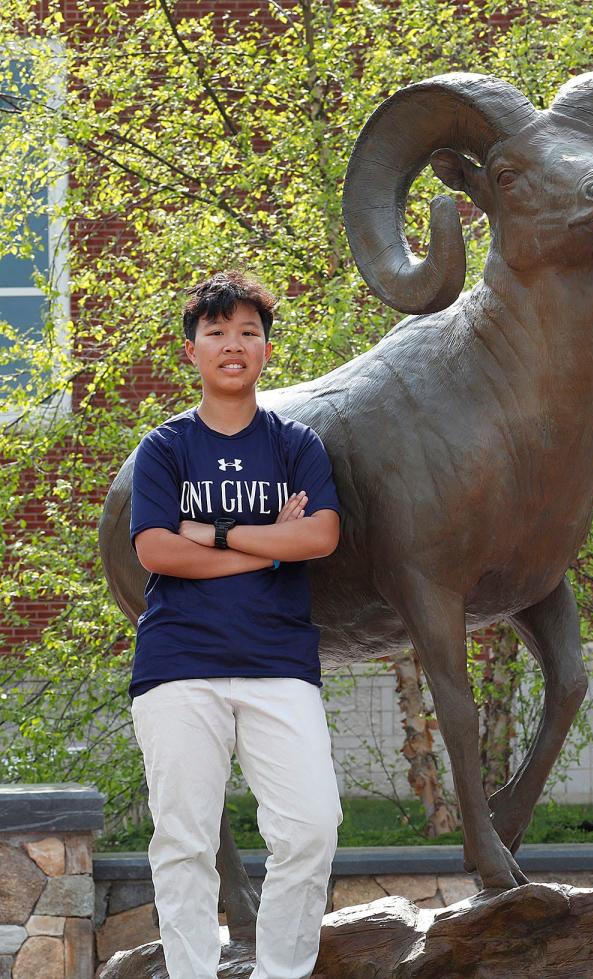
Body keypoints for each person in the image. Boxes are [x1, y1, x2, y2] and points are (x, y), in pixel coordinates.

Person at [128, 270, 342, 979]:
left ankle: (280, 973)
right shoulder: (165, 448)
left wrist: (214, 534)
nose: (233, 344)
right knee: (184, 841)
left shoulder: (296, 444)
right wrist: (259, 543)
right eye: (217, 332)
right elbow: (157, 549)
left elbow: (318, 539)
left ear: (266, 351)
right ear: (191, 350)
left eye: (248, 332)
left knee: (312, 828)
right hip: (177, 665)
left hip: (279, 663)